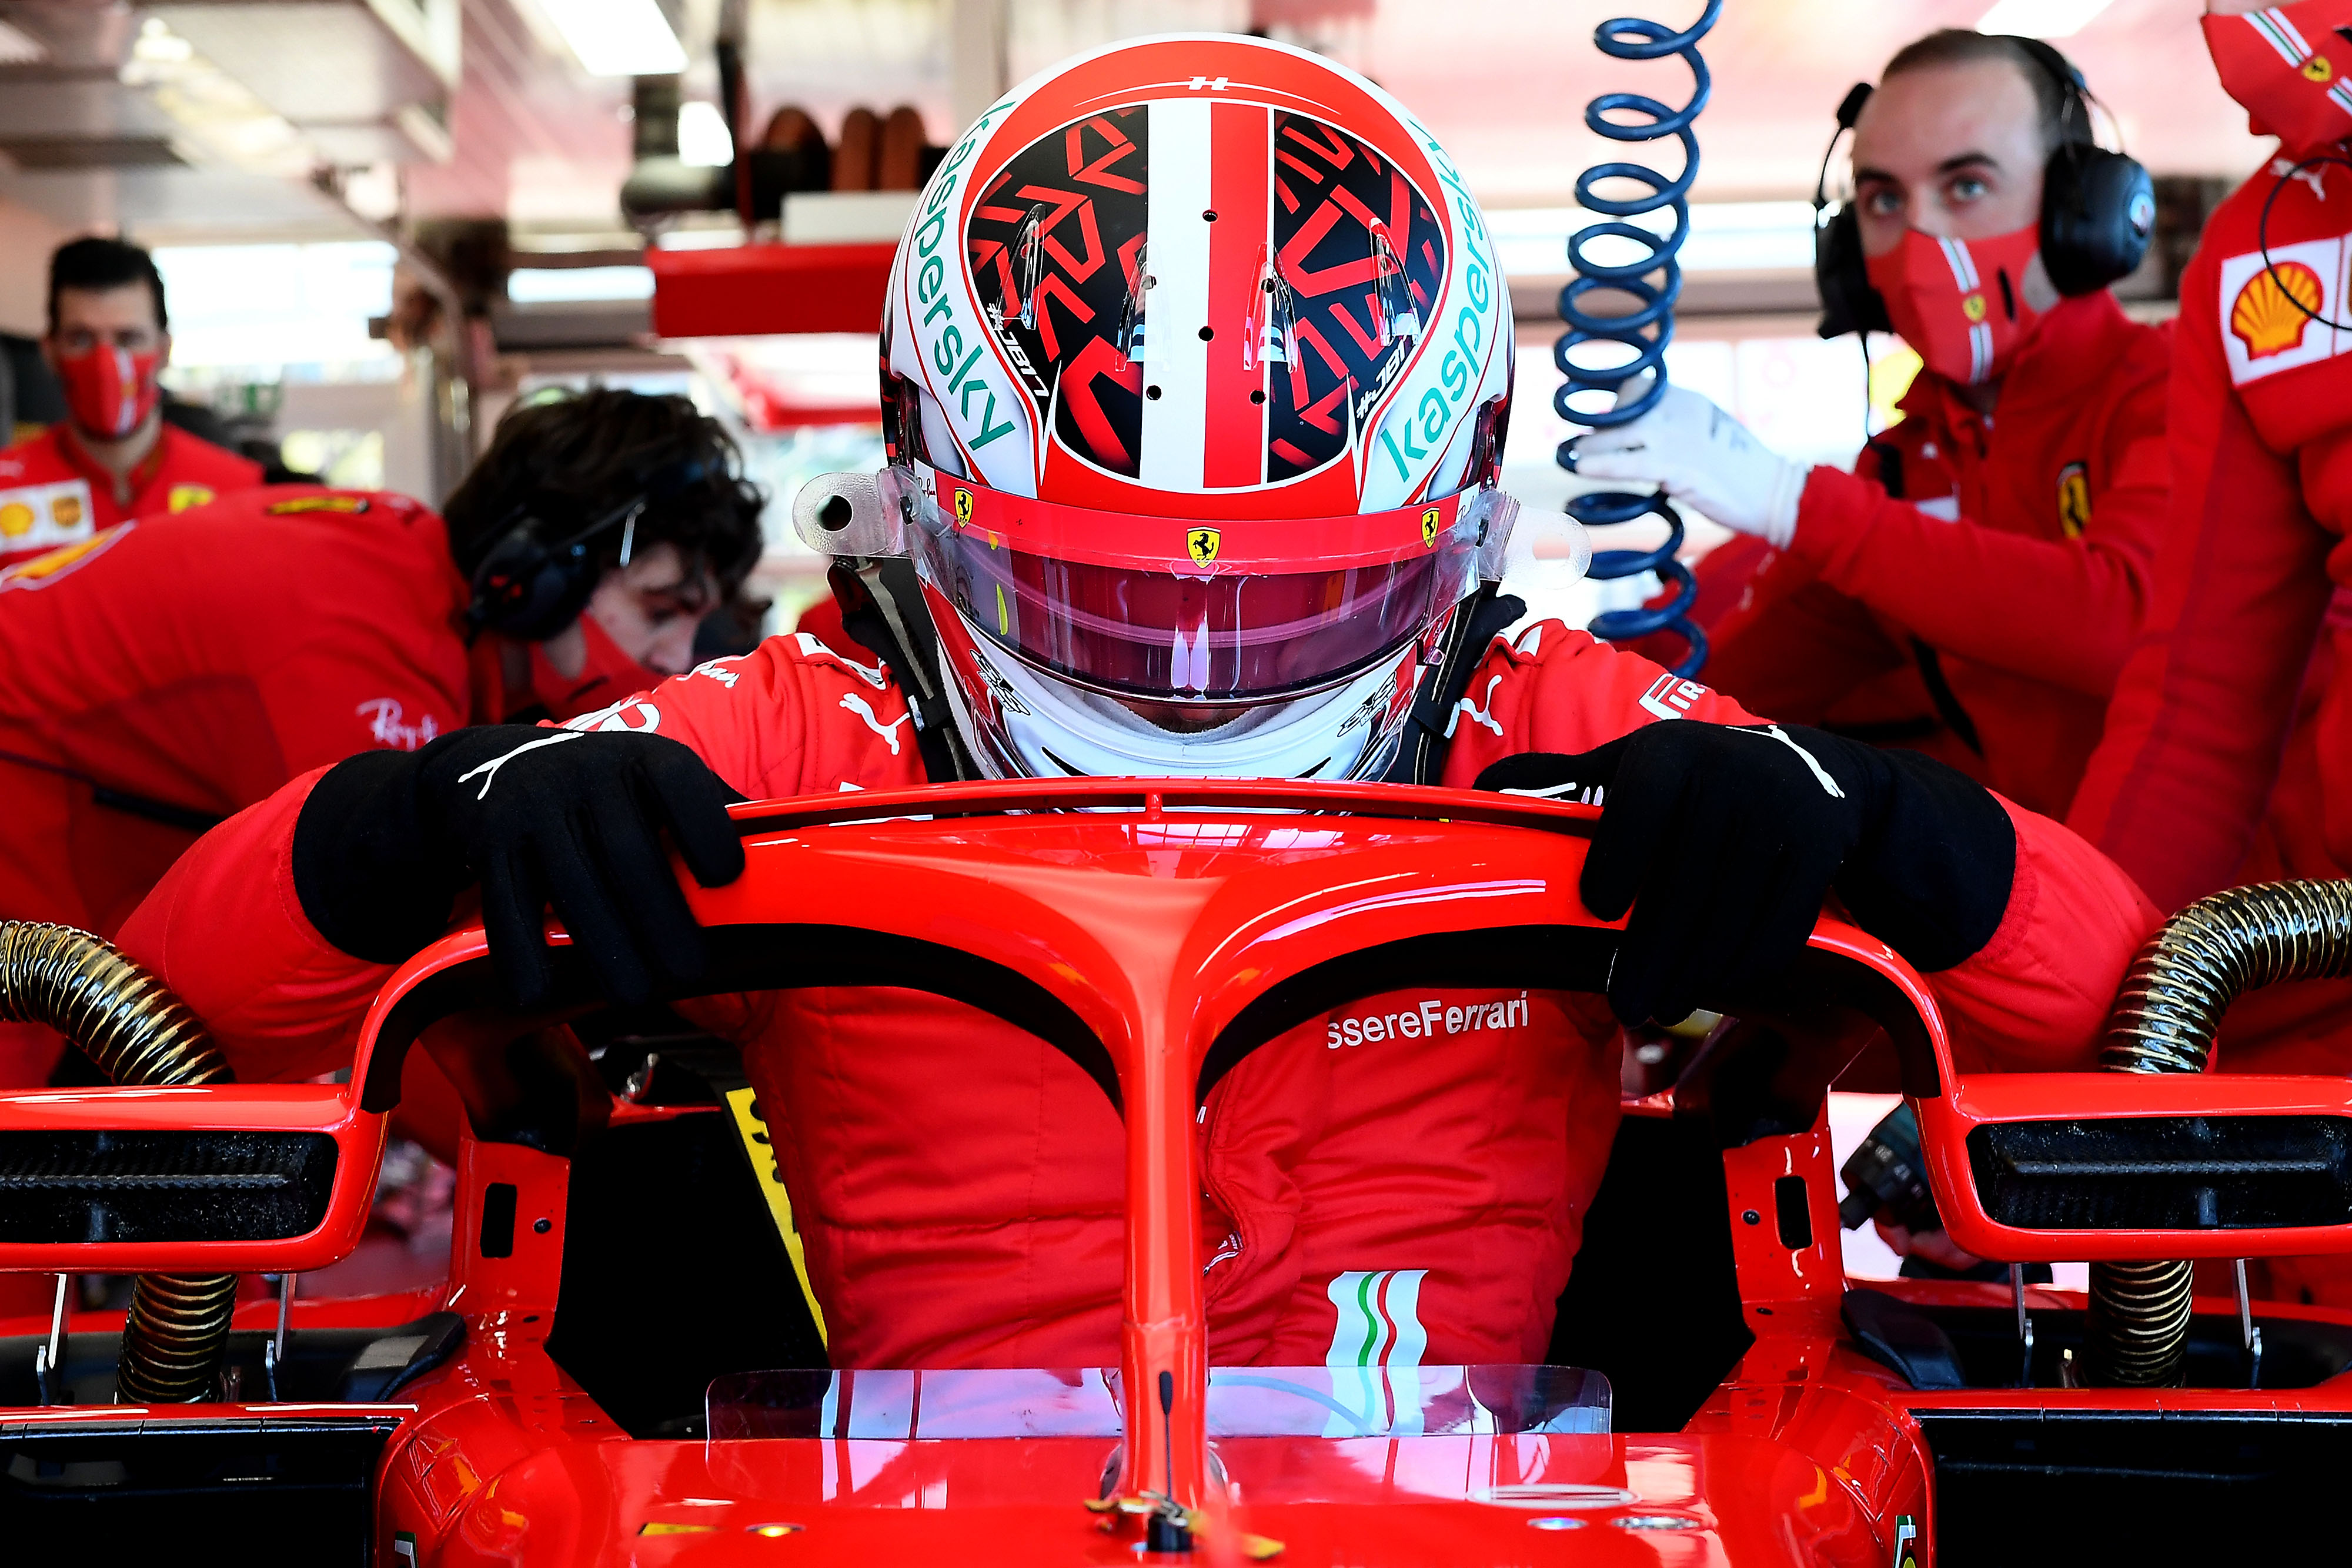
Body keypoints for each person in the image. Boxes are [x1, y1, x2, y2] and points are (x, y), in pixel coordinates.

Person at [118, 37, 2159, 1371]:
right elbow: (173, 1002)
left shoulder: (1551, 709)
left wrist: (1872, 822)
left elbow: (2125, 1010)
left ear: (1456, 522)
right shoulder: (807, 718)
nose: (1191, 681)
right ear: (926, 497)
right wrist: (426, 819)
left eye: (1288, 604)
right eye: (1103, 598)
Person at [0, 387, 764, 1084]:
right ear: (538, 571)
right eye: (661, 609)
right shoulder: (366, 637)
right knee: (57, 1137)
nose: (676, 656)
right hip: (26, 800)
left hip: (80, 804)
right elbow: (376, 973)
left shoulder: (406, 569)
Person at [1579, 31, 2166, 822]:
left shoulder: (2175, 389)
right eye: (1884, 200)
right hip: (2063, 884)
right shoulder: (1902, 467)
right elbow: (1731, 690)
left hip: (2264, 898)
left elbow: (2134, 629)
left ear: (2080, 211)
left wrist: (1789, 500)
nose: (1919, 240)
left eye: (1966, 186)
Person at [0, 238, 262, 567]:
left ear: (164, 351)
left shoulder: (238, 491)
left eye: (129, 339)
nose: (105, 364)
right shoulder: (5, 489)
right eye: (81, 339)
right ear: (49, 353)